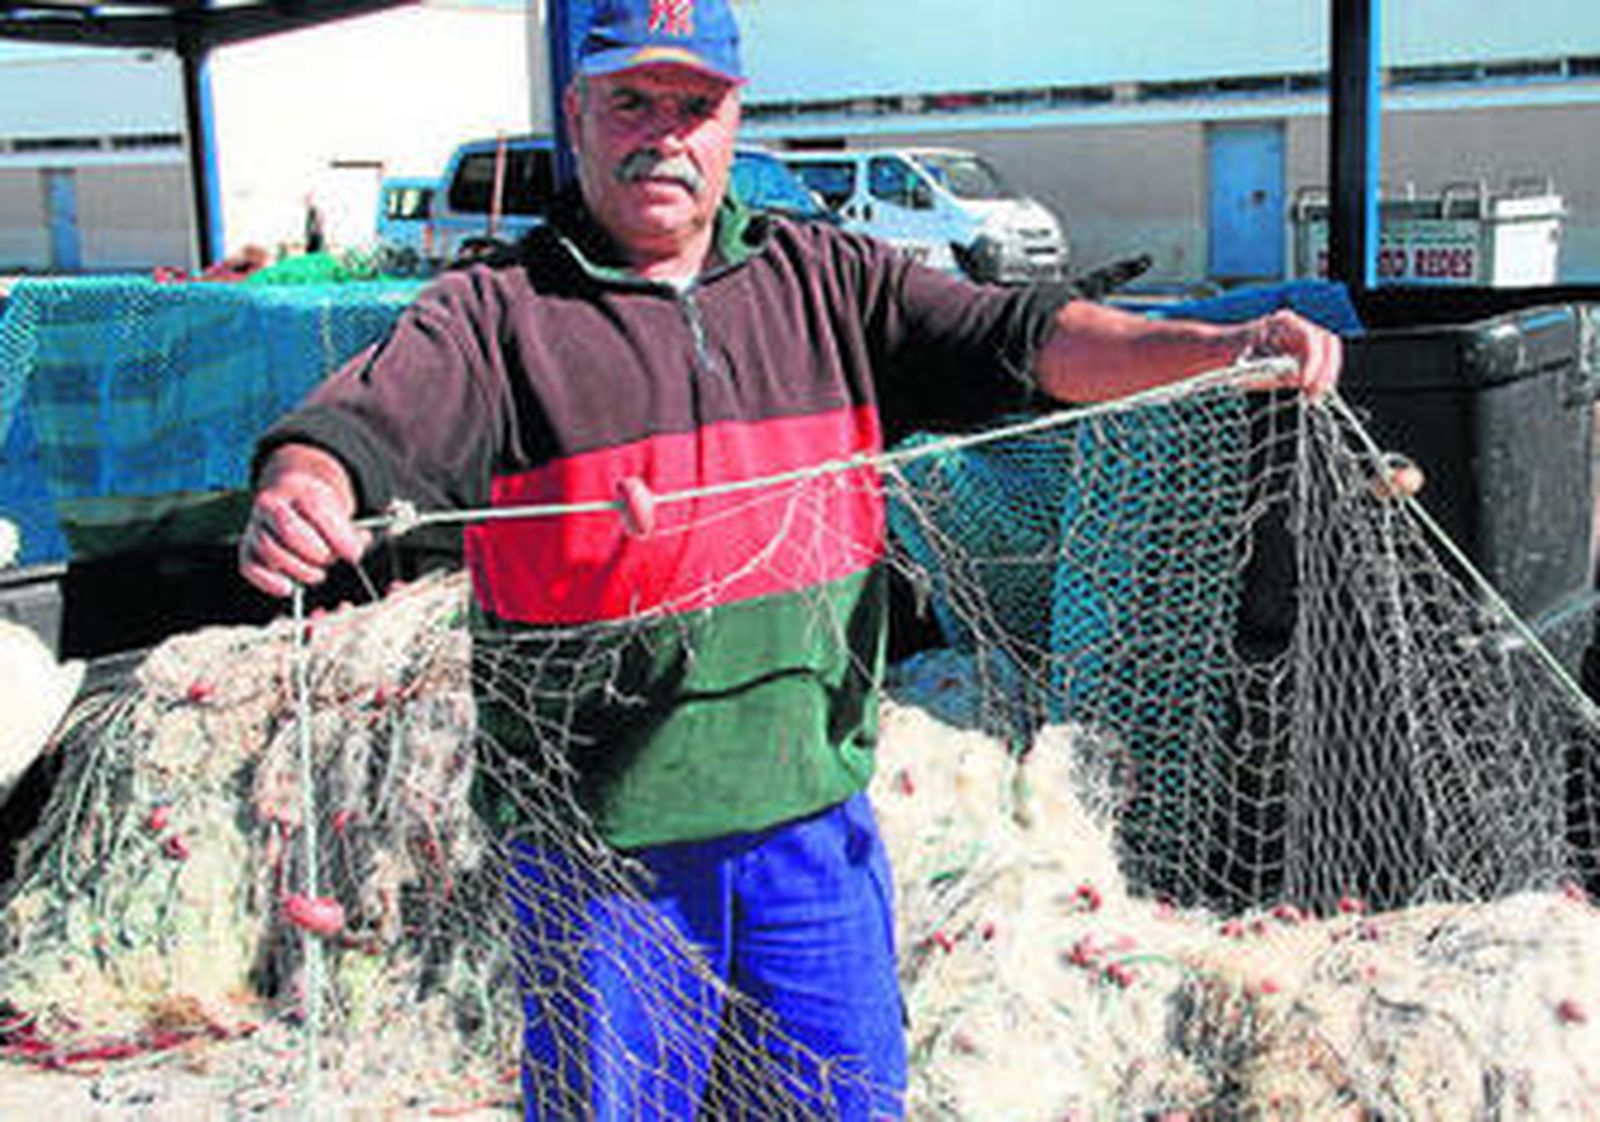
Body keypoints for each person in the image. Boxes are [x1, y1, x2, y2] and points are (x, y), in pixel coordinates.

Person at [238, 0, 1341, 1115]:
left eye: (694, 106)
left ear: (733, 124)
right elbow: (358, 431)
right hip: (606, 868)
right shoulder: (492, 317)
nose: (662, 133)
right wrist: (304, 490)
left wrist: (1222, 347)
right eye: (630, 101)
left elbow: (1028, 338)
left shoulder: (829, 282)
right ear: (577, 115)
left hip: (811, 843)